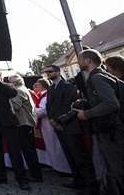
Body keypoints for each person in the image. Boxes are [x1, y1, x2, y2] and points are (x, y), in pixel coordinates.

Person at [75, 49, 124, 194]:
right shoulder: (102, 75)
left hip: (111, 131)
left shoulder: (97, 77)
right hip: (111, 129)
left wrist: (87, 114)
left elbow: (111, 103)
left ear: (88, 61)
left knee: (119, 169)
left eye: (79, 59)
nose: (78, 62)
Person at [44, 64, 98, 192]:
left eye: (50, 72)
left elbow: (68, 105)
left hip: (70, 125)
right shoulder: (51, 89)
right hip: (58, 126)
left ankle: (91, 184)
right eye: (46, 72)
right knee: (69, 155)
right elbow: (49, 106)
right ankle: (78, 180)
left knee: (79, 156)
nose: (48, 74)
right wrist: (53, 121)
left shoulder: (68, 86)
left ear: (57, 72)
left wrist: (57, 120)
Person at [8, 74, 42, 182]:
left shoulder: (18, 91)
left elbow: (16, 107)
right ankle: (35, 172)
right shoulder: (21, 89)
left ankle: (35, 174)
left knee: (27, 149)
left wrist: (8, 100)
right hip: (25, 122)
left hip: (23, 123)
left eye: (10, 81)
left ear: (14, 82)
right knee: (29, 149)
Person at [33, 78, 71, 174]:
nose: (35, 87)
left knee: (55, 146)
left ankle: (63, 168)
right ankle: (56, 166)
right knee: (51, 146)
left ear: (41, 86)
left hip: (49, 124)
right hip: (45, 124)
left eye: (36, 85)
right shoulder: (43, 95)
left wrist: (32, 112)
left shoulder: (46, 96)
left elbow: (43, 110)